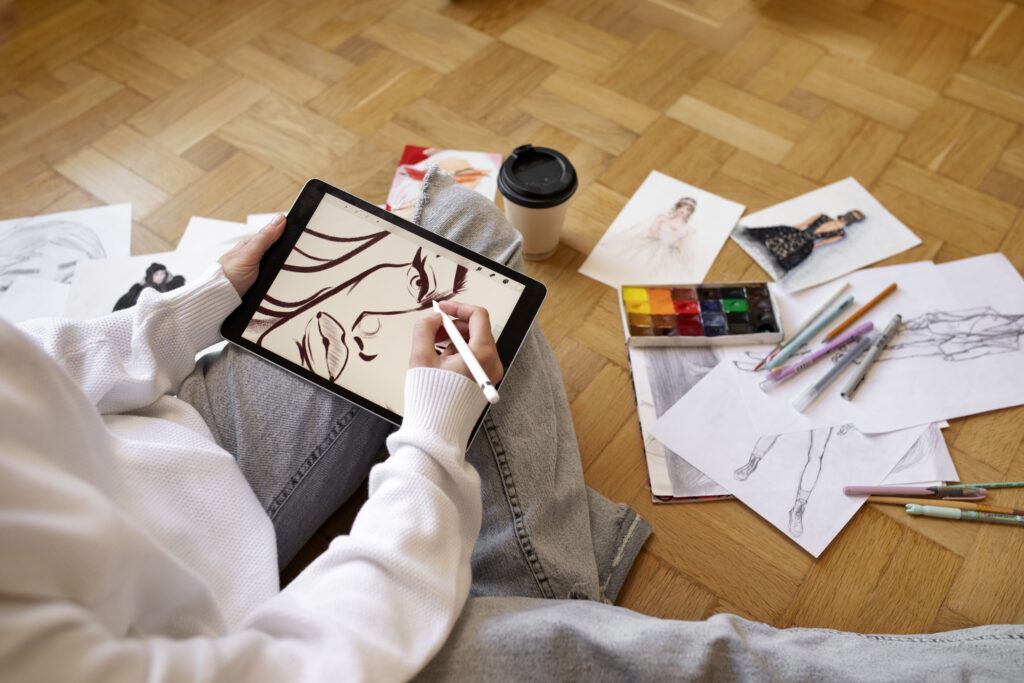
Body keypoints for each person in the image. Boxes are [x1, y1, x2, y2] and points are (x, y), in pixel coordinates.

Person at [2, 169, 1021, 681]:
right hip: (235, 637)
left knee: (460, 229)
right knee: (687, 655)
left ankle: (531, 585)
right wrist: (432, 437)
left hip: (157, 452)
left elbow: (40, 362)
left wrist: (197, 304)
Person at [744, 209, 865, 274]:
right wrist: (792, 228)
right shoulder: (822, 216)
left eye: (853, 218)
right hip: (801, 233)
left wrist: (814, 246)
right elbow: (804, 223)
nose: (848, 218)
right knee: (774, 238)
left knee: (787, 256)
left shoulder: (841, 234)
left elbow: (824, 242)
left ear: (853, 221)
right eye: (850, 214)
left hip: (808, 242)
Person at [112, 261, 186, 311]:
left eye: (162, 273)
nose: (160, 276)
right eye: (156, 274)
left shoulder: (172, 286)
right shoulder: (138, 290)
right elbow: (122, 304)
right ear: (151, 276)